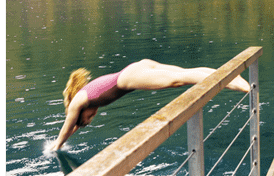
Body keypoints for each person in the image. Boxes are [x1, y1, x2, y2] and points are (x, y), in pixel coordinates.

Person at [53, 59, 252, 150]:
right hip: (138, 67)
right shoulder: (84, 98)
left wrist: (55, 146)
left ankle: (230, 82)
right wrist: (68, 135)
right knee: (183, 72)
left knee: (178, 79)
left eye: (88, 117)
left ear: (80, 112)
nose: (92, 116)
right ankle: (230, 76)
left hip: (130, 77)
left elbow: (67, 127)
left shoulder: (76, 103)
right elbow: (73, 128)